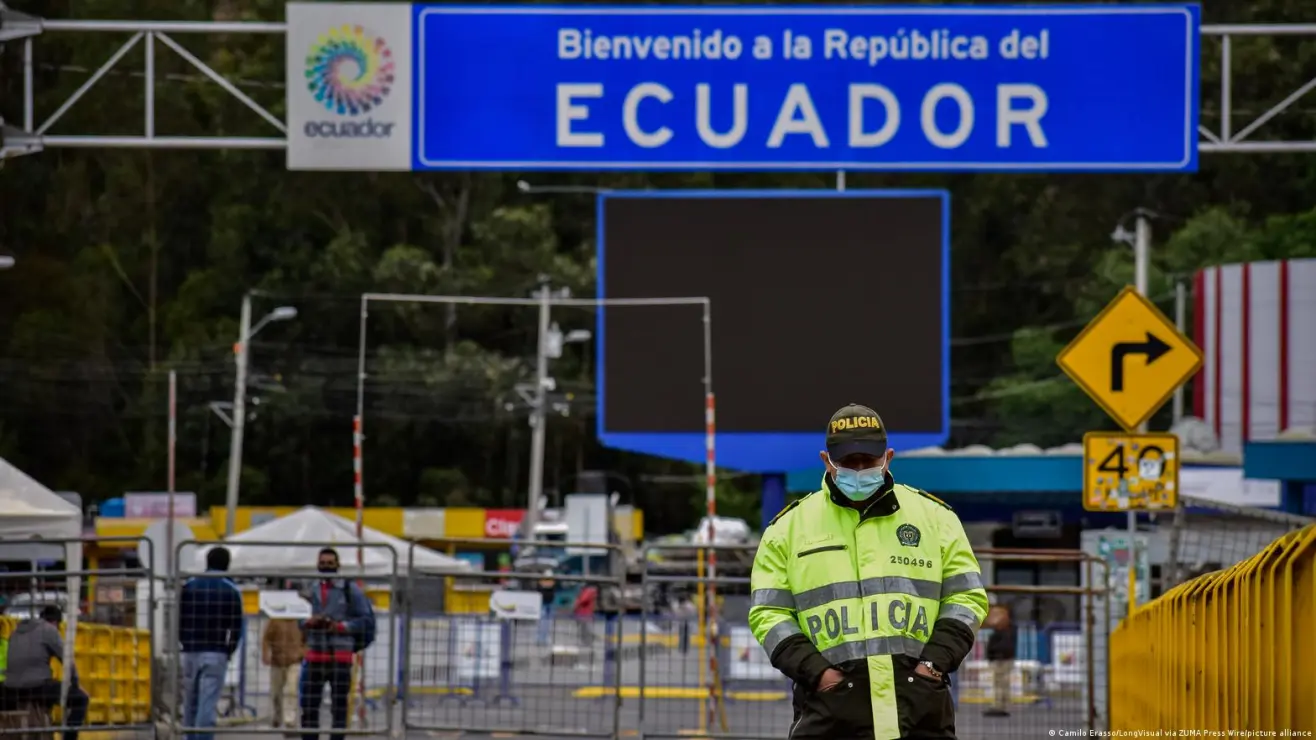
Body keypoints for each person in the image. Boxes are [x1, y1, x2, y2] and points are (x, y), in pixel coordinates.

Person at [748, 403, 989, 740]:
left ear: (888, 457)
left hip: (919, 710)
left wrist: (931, 666)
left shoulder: (936, 518)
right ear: (826, 461)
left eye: (868, 460)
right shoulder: (786, 529)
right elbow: (768, 613)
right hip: (829, 714)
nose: (859, 470)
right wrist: (819, 675)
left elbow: (967, 598)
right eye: (848, 462)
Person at [299, 548, 375, 740]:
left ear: (338, 566)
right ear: (317, 565)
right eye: (323, 563)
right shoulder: (309, 588)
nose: (326, 567)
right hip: (314, 655)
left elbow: (366, 619)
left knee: (339, 710)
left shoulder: (350, 589)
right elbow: (297, 616)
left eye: (330, 563)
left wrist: (340, 626)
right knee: (308, 708)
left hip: (340, 656)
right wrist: (308, 622)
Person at [179, 546, 244, 740]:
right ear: (227, 564)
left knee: (190, 701)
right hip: (216, 651)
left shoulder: (189, 585)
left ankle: (188, 737)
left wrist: (183, 641)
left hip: (190, 650)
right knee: (207, 703)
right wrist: (228, 649)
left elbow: (179, 617)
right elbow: (236, 625)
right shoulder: (231, 589)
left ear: (207, 561)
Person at [1, 605, 89, 740]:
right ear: (55, 622)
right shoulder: (49, 630)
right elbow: (67, 661)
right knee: (80, 699)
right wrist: (76, 684)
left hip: (10, 690)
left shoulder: (15, 632)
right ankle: (69, 738)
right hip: (36, 687)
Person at [262, 614, 305, 729]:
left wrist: (302, 653)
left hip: (294, 661)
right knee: (276, 692)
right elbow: (266, 638)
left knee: (291, 690)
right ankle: (277, 716)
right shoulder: (275, 620)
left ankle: (290, 719)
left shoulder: (300, 621)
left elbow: (307, 640)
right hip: (277, 661)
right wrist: (265, 654)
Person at [982, 604, 1017, 718]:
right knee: (1002, 683)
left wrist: (995, 654)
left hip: (1001, 659)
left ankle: (999, 706)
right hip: (1002, 658)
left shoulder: (1005, 630)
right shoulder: (1007, 629)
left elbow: (1003, 646)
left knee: (1000, 683)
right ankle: (1003, 705)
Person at [535, 575, 556, 646]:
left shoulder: (552, 582)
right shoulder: (540, 582)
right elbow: (538, 590)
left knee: (548, 622)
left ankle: (545, 638)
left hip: (549, 604)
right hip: (542, 604)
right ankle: (539, 639)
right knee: (541, 622)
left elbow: (553, 589)